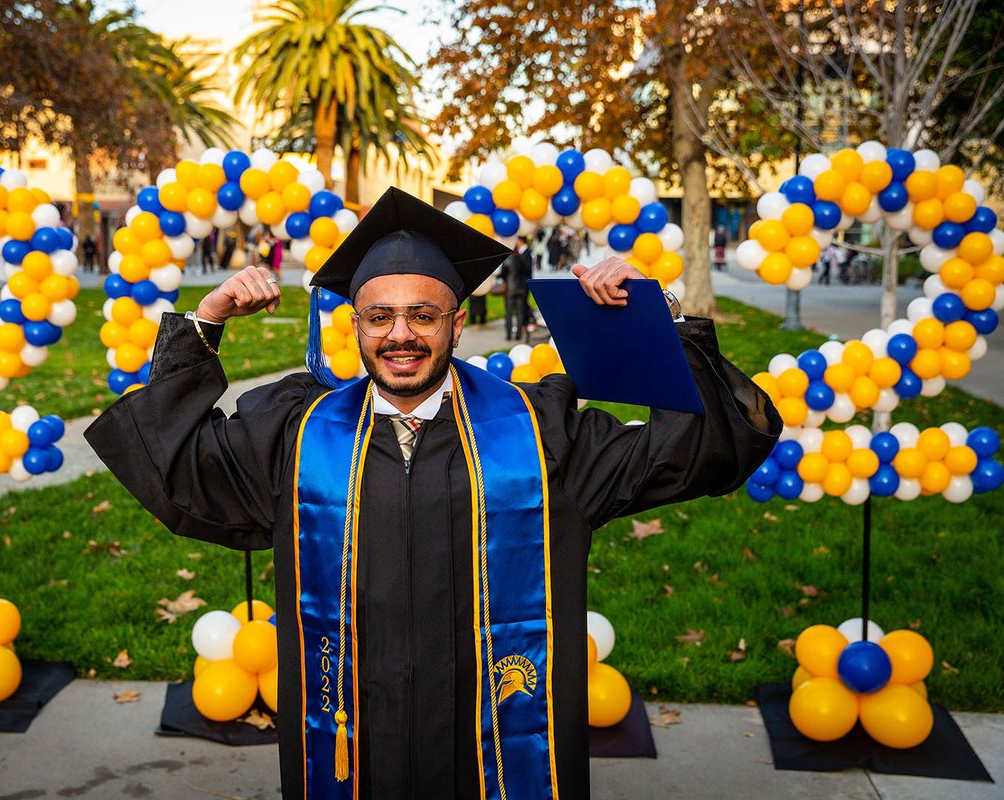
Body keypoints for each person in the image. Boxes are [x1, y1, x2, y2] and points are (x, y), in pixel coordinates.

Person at [85, 187, 781, 799]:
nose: (400, 336)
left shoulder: (539, 432)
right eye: (378, 317)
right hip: (355, 748)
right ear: (355, 325)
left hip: (491, 753)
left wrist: (659, 319)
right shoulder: (299, 434)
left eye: (423, 315)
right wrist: (205, 322)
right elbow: (175, 464)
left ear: (457, 322)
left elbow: (702, 451)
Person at [502, 241, 533, 341]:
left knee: (509, 313)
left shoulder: (507, 261)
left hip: (510, 290)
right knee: (520, 313)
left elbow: (503, 275)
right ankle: (518, 335)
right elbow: (527, 271)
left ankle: (508, 335)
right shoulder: (522, 259)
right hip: (521, 289)